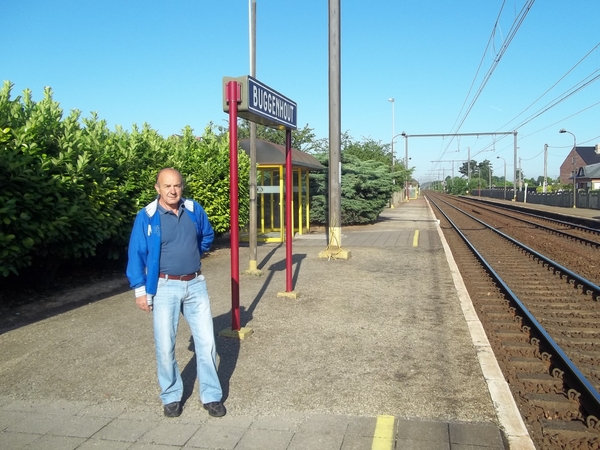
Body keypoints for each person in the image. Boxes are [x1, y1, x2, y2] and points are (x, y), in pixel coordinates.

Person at [126, 168, 225, 418]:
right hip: (164, 286)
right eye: (167, 186)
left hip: (195, 284)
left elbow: (206, 236)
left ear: (182, 187)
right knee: (165, 345)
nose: (173, 190)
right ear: (157, 188)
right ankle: (171, 395)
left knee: (207, 343)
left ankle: (211, 396)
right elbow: (136, 253)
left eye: (177, 185)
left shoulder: (193, 209)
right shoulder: (147, 216)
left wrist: (193, 253)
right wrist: (140, 291)